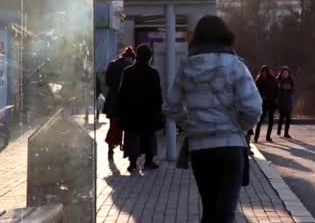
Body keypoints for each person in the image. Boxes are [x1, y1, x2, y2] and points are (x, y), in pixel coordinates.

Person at [164, 15, 262, 223]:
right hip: (230, 147)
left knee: (209, 212)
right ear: (226, 36)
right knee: (226, 213)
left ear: (197, 38)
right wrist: (239, 128)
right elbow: (253, 108)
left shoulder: (186, 67)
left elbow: (170, 107)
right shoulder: (235, 66)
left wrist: (190, 125)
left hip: (200, 148)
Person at [116, 44, 164, 173]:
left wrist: (120, 111)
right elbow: (158, 94)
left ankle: (132, 163)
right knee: (149, 136)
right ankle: (149, 162)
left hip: (131, 111)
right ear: (149, 57)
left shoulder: (128, 71)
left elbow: (122, 93)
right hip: (149, 111)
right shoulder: (153, 72)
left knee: (132, 136)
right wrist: (159, 110)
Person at [103, 47, 135, 159]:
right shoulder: (131, 66)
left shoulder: (112, 64)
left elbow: (107, 82)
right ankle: (128, 151)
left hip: (113, 100)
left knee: (113, 126)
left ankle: (110, 149)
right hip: (126, 101)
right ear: (131, 57)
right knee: (129, 127)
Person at [254, 66, 279, 143]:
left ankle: (268, 136)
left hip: (271, 101)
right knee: (260, 120)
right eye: (263, 72)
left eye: (265, 72)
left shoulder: (273, 80)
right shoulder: (259, 80)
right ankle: (256, 137)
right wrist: (261, 97)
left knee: (271, 120)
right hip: (262, 102)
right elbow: (256, 90)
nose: (264, 74)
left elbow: (276, 90)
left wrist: (274, 98)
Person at [277, 66, 295, 139]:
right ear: (281, 73)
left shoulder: (290, 80)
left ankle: (286, 133)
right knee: (281, 117)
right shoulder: (278, 80)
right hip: (281, 101)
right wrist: (281, 88)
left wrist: (289, 89)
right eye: (284, 73)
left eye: (286, 73)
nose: (285, 74)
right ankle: (279, 129)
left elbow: (293, 91)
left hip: (288, 101)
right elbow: (276, 90)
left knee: (288, 118)